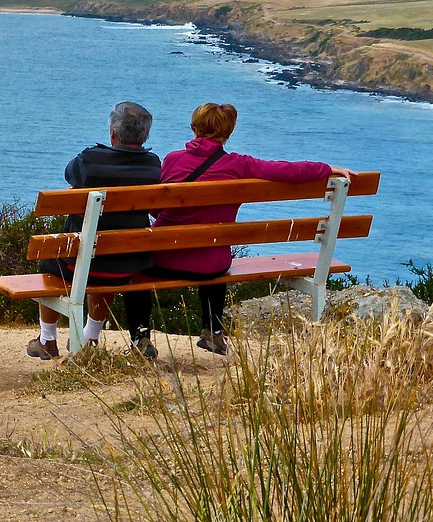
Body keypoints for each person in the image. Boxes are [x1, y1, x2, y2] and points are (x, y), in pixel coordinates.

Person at [148, 102, 355, 354]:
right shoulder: (239, 165)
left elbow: (155, 210)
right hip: (211, 266)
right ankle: (213, 331)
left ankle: (141, 337)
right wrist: (325, 168)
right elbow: (285, 170)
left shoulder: (172, 160)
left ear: (194, 128)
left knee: (148, 254)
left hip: (164, 260)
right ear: (228, 133)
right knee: (213, 250)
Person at [27, 101, 161, 361]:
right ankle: (89, 337)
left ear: (113, 133)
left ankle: (47, 338)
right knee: (106, 253)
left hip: (81, 263)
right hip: (129, 263)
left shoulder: (90, 160)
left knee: (54, 263)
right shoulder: (153, 166)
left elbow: (70, 174)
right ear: (145, 135)